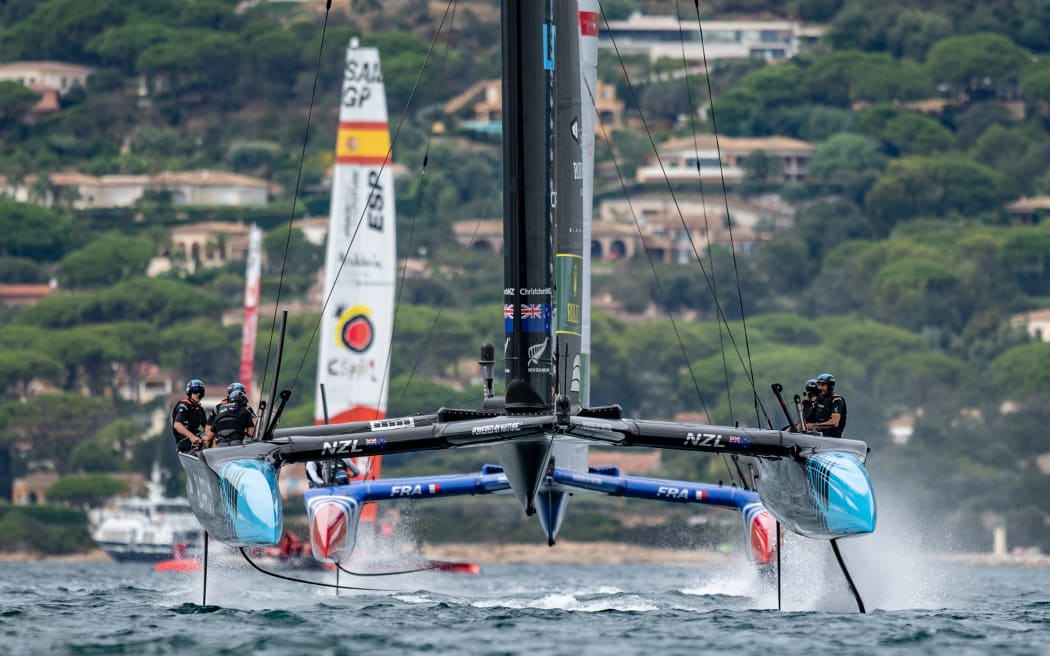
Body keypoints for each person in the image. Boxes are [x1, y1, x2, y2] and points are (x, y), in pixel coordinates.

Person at [171, 379, 208, 454]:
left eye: (200, 391)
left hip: (197, 441)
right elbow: (177, 425)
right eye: (195, 391)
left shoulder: (201, 410)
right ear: (189, 392)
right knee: (200, 453)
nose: (198, 393)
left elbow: (207, 428)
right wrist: (191, 437)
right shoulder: (183, 405)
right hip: (185, 441)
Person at [810, 372, 847, 438]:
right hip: (817, 437)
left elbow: (834, 423)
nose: (820, 388)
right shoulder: (819, 400)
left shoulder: (836, 399)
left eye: (823, 385)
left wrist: (814, 426)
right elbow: (808, 419)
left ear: (830, 386)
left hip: (831, 440)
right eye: (819, 385)